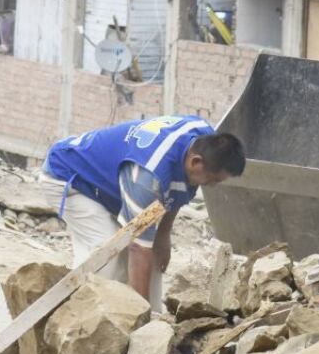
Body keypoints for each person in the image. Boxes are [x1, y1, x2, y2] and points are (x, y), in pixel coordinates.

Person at [39, 116, 246, 301]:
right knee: (107, 254)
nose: (212, 185)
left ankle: (152, 317)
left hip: (108, 182)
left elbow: (175, 191)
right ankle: (79, 316)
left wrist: (163, 236)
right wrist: (141, 323)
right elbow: (138, 248)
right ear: (195, 162)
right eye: (212, 179)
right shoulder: (146, 179)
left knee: (152, 249)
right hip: (69, 178)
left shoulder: (202, 134)